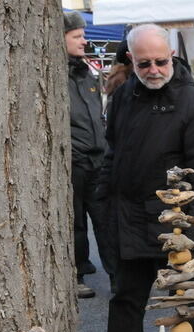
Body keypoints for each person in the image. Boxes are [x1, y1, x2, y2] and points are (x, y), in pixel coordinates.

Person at [96, 24, 194, 332]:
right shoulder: (122, 96)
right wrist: (104, 202)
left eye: (160, 62)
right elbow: (113, 153)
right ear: (131, 61)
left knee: (186, 295)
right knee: (125, 293)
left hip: (175, 219)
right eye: (144, 64)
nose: (154, 71)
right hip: (128, 215)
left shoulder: (191, 101)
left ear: (173, 57)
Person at [64, 11, 114, 299]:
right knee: (76, 222)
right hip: (73, 160)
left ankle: (116, 274)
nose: (84, 40)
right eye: (77, 36)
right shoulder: (53, 74)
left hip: (98, 159)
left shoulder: (88, 72)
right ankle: (78, 274)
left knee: (105, 218)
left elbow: (98, 114)